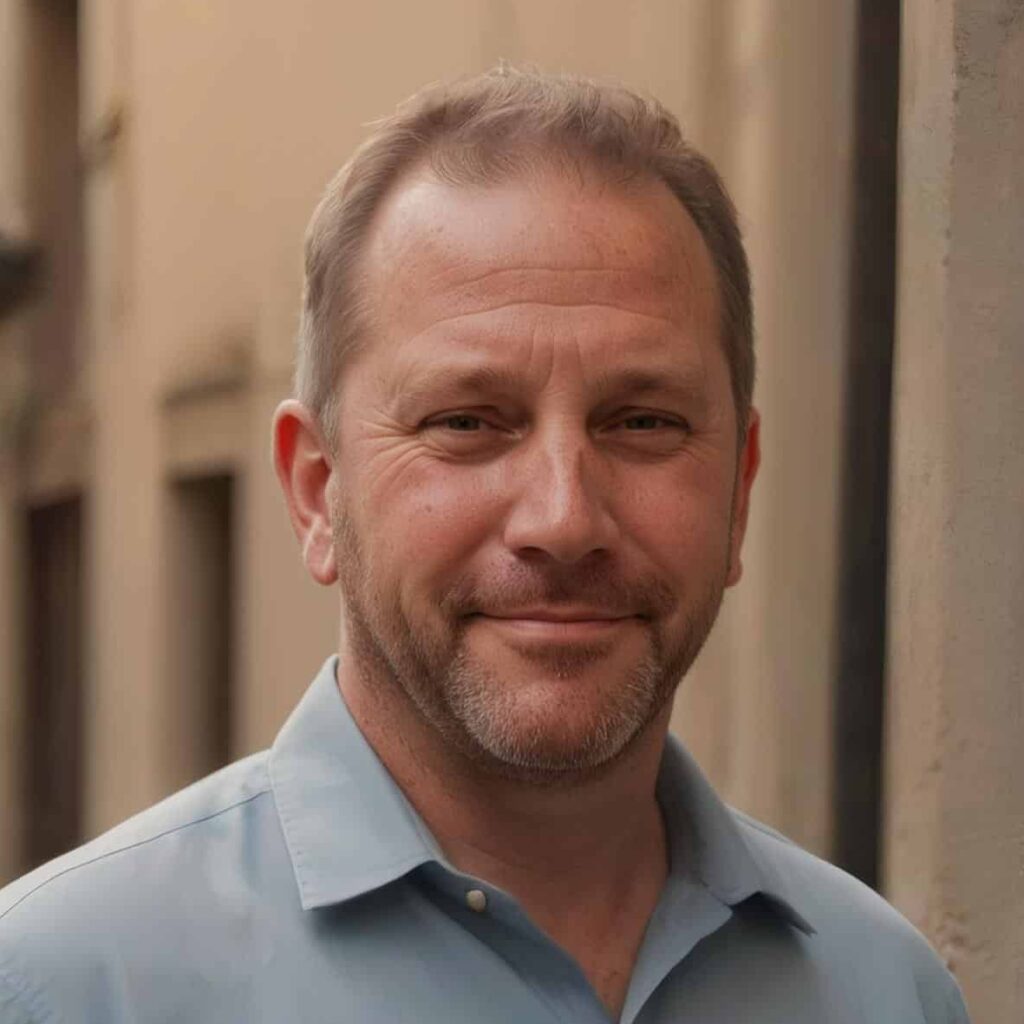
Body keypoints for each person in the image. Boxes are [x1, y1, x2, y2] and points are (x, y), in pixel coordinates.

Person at [0, 67, 969, 1024]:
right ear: (315, 490)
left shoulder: (877, 986)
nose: (562, 519)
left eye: (641, 422)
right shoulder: (66, 985)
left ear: (739, 490)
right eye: (467, 422)